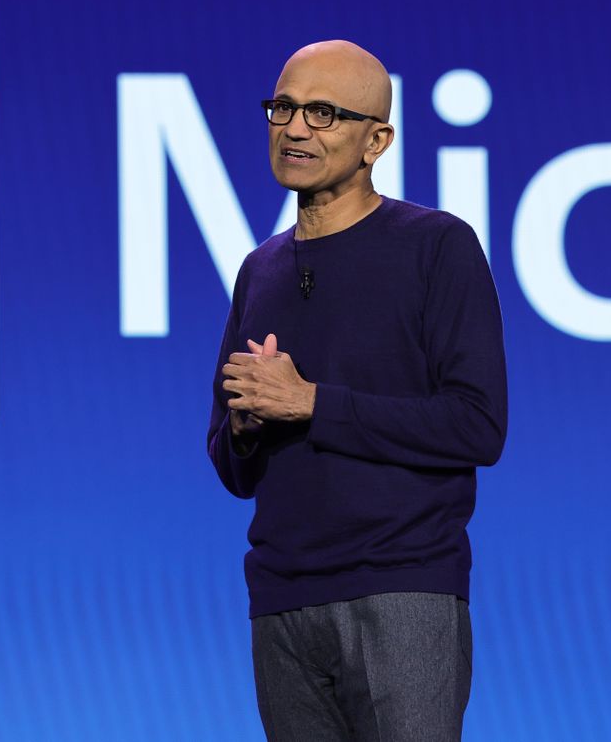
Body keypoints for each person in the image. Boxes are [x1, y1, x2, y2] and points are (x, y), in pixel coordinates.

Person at [207, 40, 508, 741]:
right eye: (283, 107)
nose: (296, 127)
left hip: (402, 588)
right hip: (282, 600)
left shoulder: (437, 246)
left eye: (323, 112)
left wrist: (312, 401)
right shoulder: (261, 270)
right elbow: (231, 466)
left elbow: (477, 425)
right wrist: (246, 428)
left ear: (377, 140)